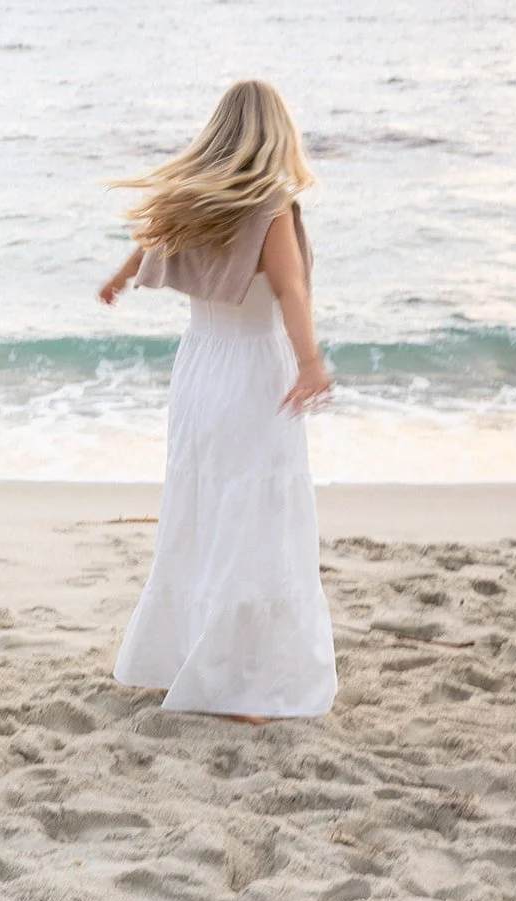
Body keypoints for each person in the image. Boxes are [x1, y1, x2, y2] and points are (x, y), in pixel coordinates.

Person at [99, 79, 337, 724]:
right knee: (254, 517)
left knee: (201, 508)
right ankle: (236, 684)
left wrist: (119, 279)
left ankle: (187, 658)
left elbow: (146, 245)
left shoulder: (194, 198)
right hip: (253, 368)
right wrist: (311, 364)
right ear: (277, 133)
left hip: (200, 365)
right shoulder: (271, 206)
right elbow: (290, 293)